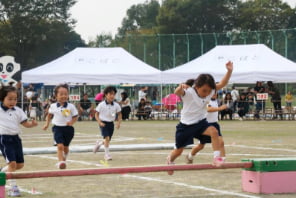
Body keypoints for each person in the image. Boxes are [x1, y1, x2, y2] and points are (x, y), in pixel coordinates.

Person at [166, 61, 233, 175]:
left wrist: (229, 71)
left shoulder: (210, 90)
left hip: (200, 123)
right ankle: (170, 160)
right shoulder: (189, 92)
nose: (206, 94)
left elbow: (222, 83)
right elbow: (177, 92)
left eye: (208, 91)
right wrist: (180, 86)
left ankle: (217, 158)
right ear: (197, 87)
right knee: (179, 150)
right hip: (185, 126)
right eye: (204, 91)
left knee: (214, 131)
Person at [0, 84, 38, 196]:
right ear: (2, 98)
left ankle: (2, 171)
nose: (13, 101)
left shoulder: (18, 111)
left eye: (15, 99)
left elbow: (25, 124)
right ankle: (13, 188)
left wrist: (32, 124)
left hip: (16, 138)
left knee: (19, 165)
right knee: (12, 163)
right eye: (10, 99)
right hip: (4, 138)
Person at [43, 84, 78, 169]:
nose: (64, 96)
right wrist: (47, 124)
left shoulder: (71, 106)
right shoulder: (53, 106)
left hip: (68, 129)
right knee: (60, 146)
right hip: (57, 128)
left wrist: (71, 122)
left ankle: (64, 159)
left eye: (65, 94)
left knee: (65, 147)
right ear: (56, 96)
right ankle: (60, 162)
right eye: (61, 94)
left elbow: (75, 116)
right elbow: (49, 115)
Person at [186, 92, 227, 164]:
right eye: (213, 93)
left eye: (215, 93)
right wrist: (220, 108)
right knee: (201, 146)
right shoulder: (206, 100)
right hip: (206, 125)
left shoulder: (216, 100)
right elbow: (208, 109)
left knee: (221, 142)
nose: (214, 94)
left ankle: (222, 160)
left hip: (215, 124)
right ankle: (190, 156)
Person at [93, 86, 122, 161]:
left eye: (113, 94)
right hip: (103, 123)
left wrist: (118, 123)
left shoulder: (116, 105)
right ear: (106, 94)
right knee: (107, 138)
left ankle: (99, 144)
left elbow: (119, 114)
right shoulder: (101, 104)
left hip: (111, 124)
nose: (112, 96)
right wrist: (99, 122)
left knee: (107, 140)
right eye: (110, 94)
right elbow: (96, 114)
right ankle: (107, 154)